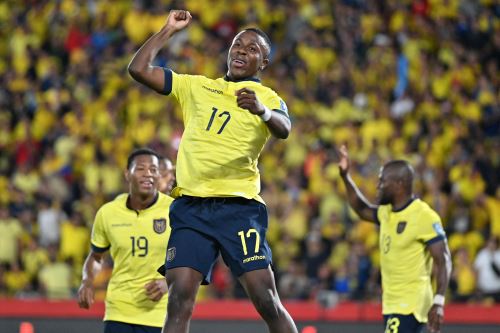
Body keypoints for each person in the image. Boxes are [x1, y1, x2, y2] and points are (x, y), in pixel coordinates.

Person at [128, 9, 297, 333]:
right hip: (191, 208)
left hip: (238, 207)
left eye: (252, 49)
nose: (241, 51)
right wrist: (167, 30)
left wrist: (262, 111)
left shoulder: (268, 97)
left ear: (263, 63)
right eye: (237, 45)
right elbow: (138, 69)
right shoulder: (196, 87)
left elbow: (284, 128)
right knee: (179, 300)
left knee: (266, 299)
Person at [336, 145, 451, 333]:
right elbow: (361, 209)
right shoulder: (386, 213)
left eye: (382, 181)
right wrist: (345, 177)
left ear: (399, 184)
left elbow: (443, 259)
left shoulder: (423, 216)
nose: (377, 186)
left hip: (411, 305)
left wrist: (439, 301)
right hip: (392, 304)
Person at [77, 148, 174, 333]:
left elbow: (190, 259)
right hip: (118, 312)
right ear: (127, 174)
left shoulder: (173, 210)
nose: (148, 174)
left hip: (159, 314)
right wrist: (87, 281)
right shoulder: (108, 213)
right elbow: (96, 256)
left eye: (154, 170)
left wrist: (168, 282)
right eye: (141, 169)